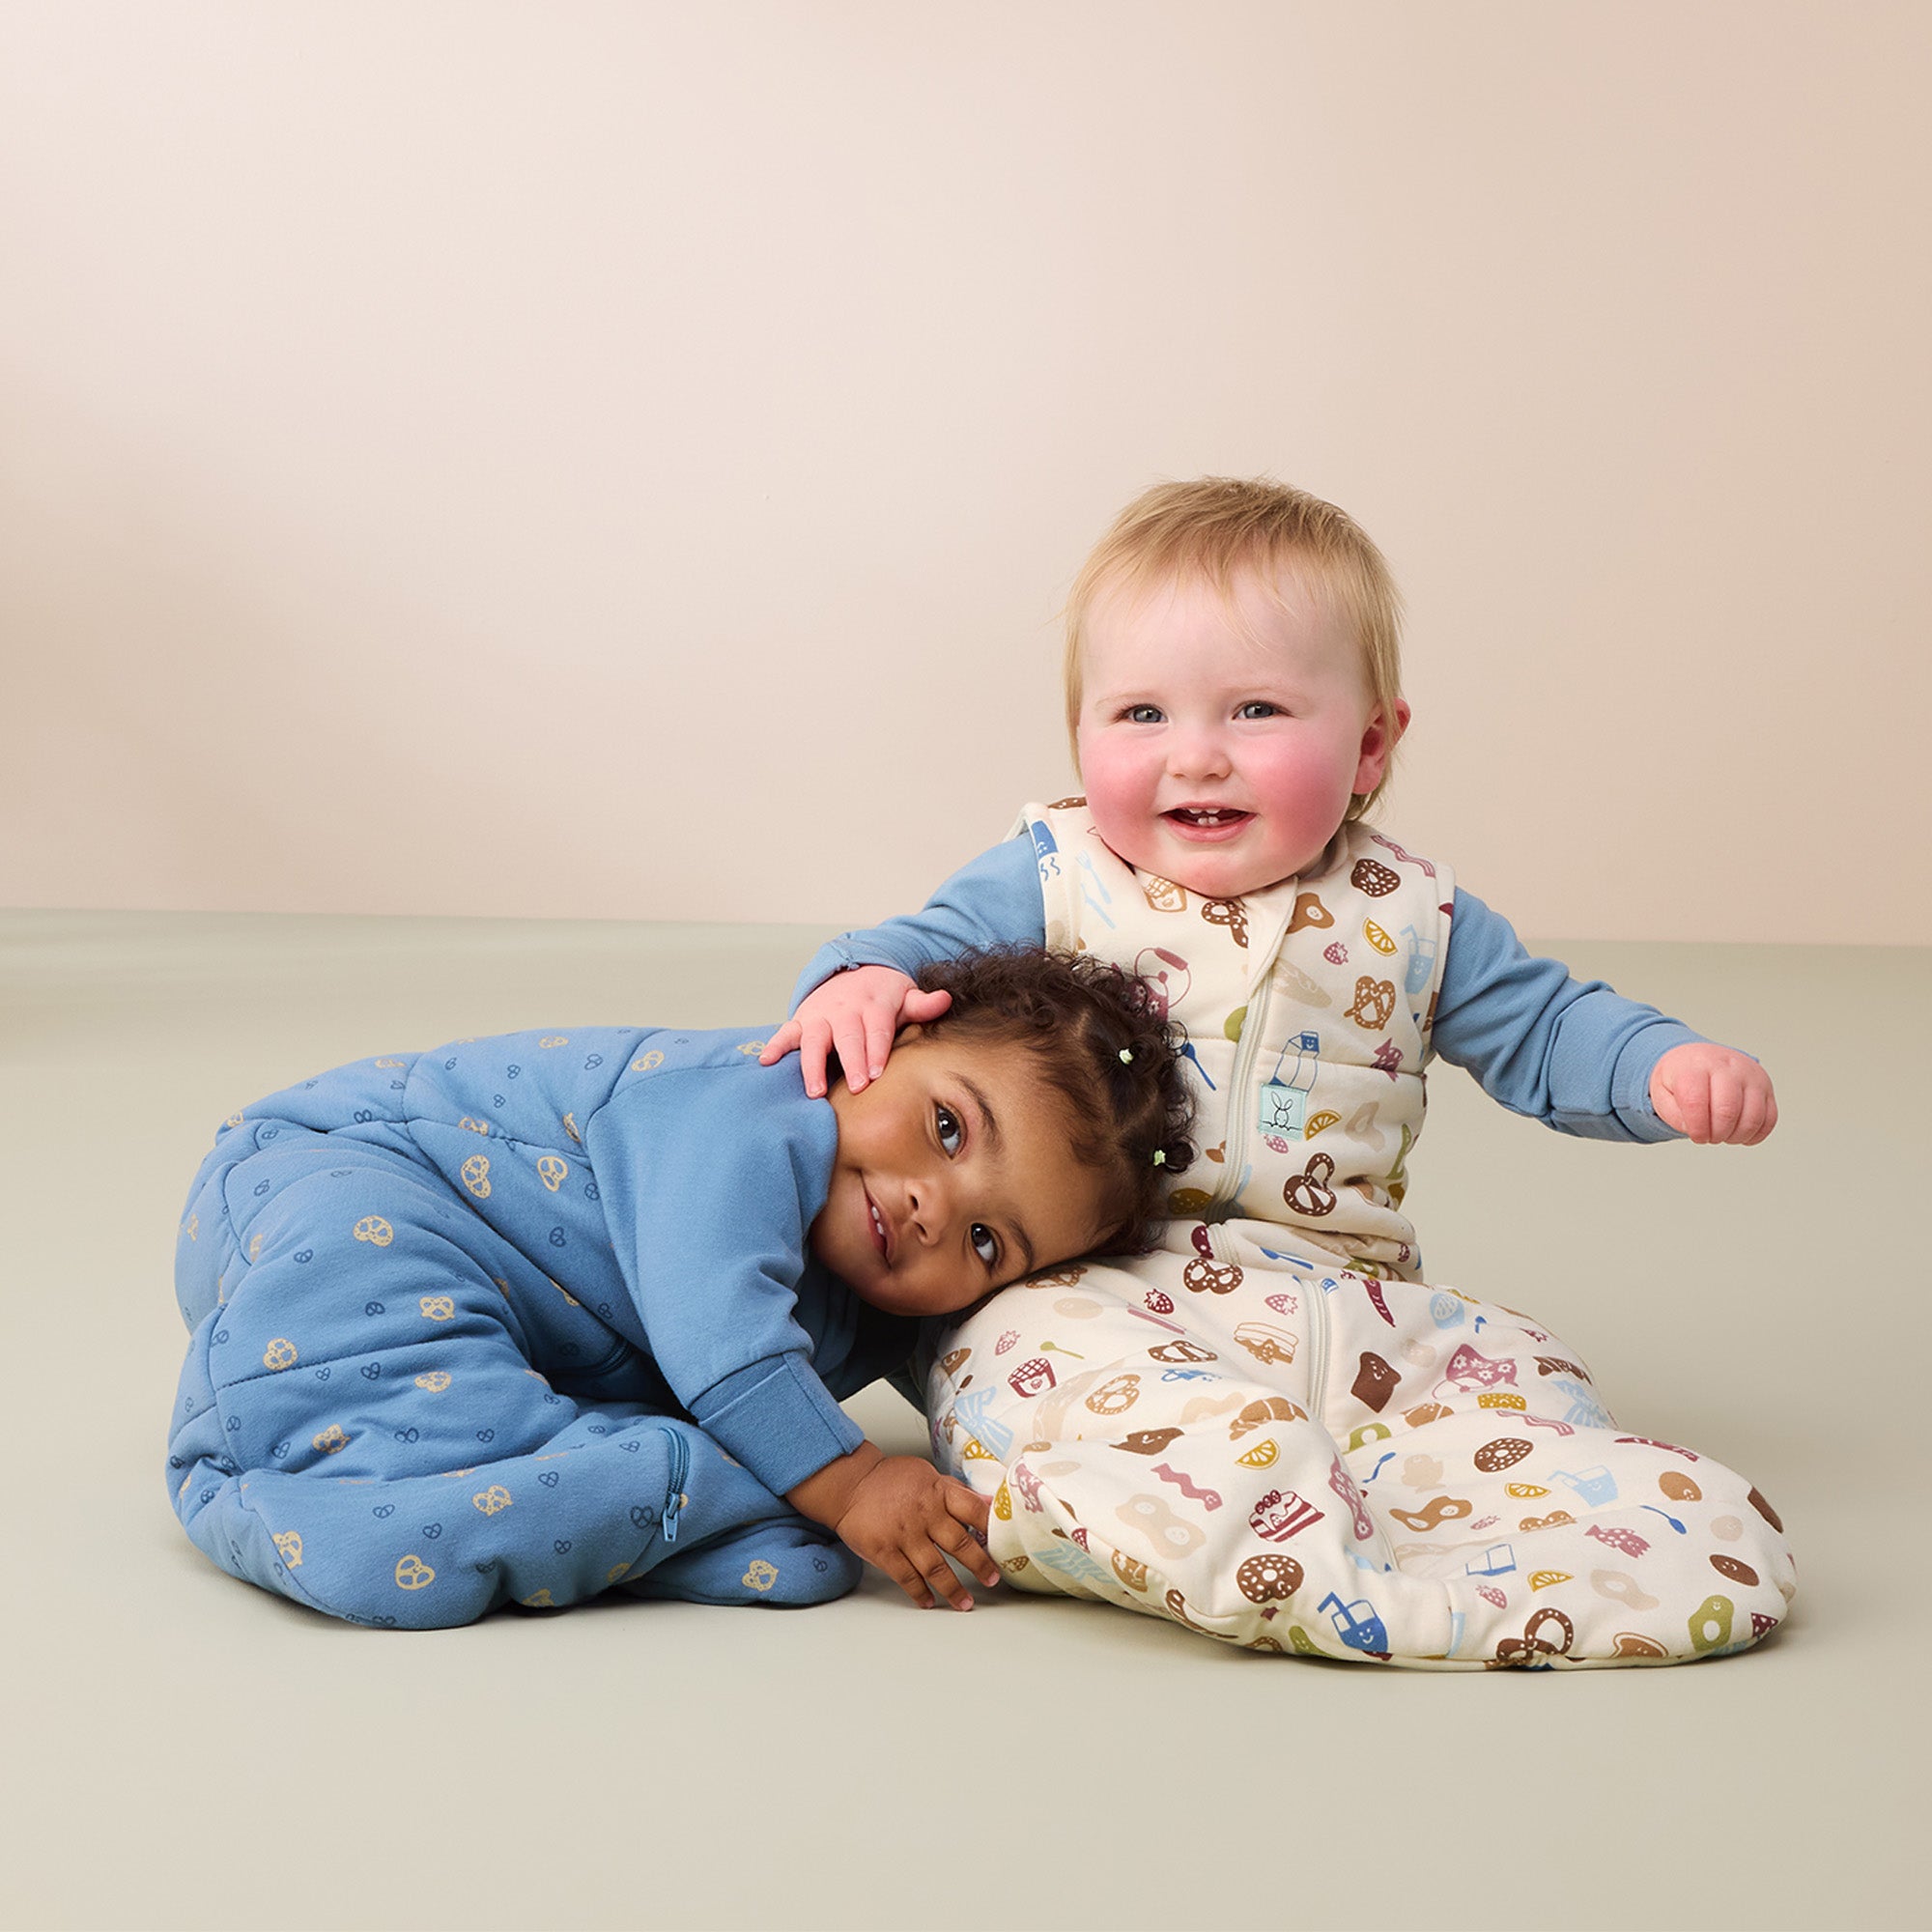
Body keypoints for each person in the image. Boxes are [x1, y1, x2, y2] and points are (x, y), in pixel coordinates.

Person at [758, 476, 1794, 1667]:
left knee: (1523, 1376)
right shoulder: (1056, 876)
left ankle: (1475, 1529)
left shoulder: (1411, 914)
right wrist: (858, 979)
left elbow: (1546, 1026)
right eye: (1140, 713)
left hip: (1348, 1306)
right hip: (1094, 1291)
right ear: (1080, 732)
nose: (1195, 755)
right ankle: (1245, 1526)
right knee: (1034, 1373)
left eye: (1254, 709)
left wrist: (1660, 1066)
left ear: (1368, 745)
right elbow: (909, 949)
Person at [165, 947, 1194, 1631]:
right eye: (948, 1127)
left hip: (499, 1326)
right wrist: (853, 1487)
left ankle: (612, 1493)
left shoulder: (885, 1296)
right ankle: (336, 1491)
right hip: (336, 1175)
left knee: (481, 1402)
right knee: (368, 1286)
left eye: (985, 1240)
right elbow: (718, 1327)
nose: (934, 1206)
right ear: (890, 1038)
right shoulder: (756, 1105)